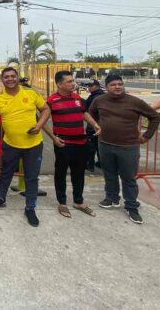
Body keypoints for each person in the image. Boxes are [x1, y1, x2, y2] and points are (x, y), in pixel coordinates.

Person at [0, 66, 50, 226]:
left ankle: (30, 208)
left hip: (33, 144)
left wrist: (39, 125)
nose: (10, 79)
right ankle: (1, 197)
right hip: (10, 144)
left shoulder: (30, 93)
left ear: (17, 78)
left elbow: (45, 109)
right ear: (2, 80)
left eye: (12, 76)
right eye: (6, 77)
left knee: (31, 177)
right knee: (6, 173)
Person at [89, 74, 160, 224]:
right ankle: (112, 198)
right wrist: (98, 126)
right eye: (113, 84)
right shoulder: (99, 100)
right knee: (109, 174)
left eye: (120, 84)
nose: (117, 87)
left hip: (128, 147)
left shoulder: (135, 102)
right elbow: (92, 114)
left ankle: (131, 206)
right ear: (106, 87)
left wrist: (147, 135)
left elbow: (155, 117)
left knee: (128, 178)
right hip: (105, 145)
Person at [44, 71, 101, 219]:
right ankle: (62, 202)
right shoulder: (52, 100)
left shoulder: (77, 98)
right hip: (63, 143)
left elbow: (83, 113)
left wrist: (95, 124)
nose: (73, 84)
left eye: (72, 81)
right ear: (59, 84)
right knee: (61, 173)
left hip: (80, 142)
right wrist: (53, 138)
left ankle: (78, 201)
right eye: (69, 81)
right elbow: (42, 121)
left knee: (79, 173)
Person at [84, 79, 105, 171]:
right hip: (103, 125)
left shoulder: (94, 98)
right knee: (99, 145)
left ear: (96, 86)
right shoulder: (103, 95)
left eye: (90, 86)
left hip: (94, 125)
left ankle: (90, 164)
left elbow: (87, 109)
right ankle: (101, 163)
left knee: (90, 145)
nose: (89, 88)